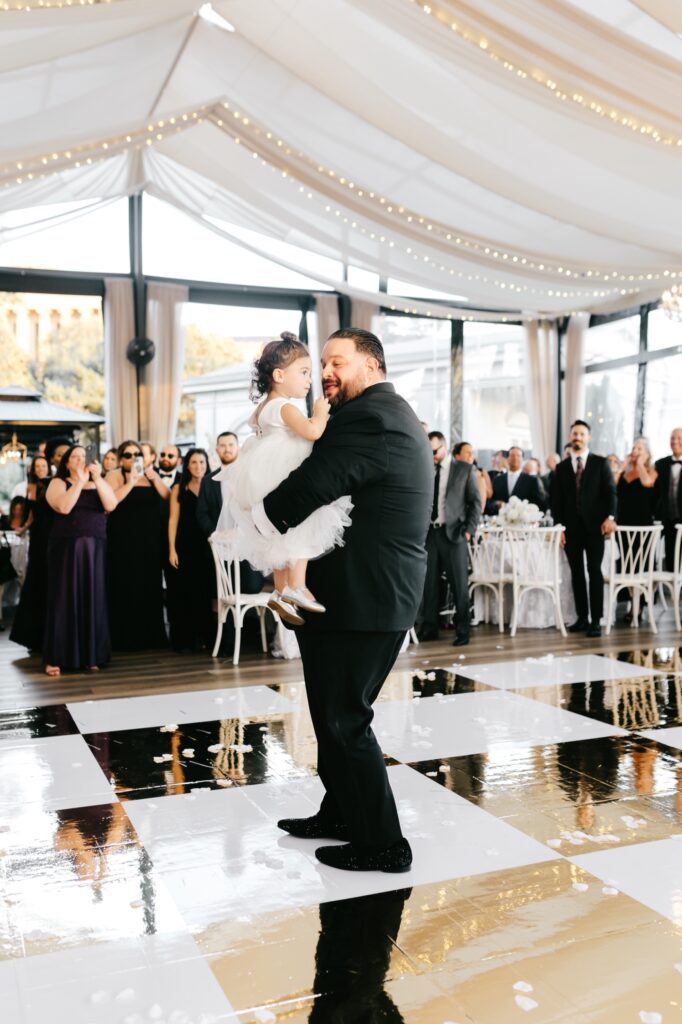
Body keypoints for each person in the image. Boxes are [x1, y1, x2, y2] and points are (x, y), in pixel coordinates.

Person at [261, 327, 432, 874]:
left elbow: (317, 480)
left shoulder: (372, 415)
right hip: (348, 595)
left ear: (372, 366)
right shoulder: (375, 412)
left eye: (338, 362)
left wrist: (258, 515)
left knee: (345, 720)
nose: (327, 372)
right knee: (327, 712)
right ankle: (341, 813)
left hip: (368, 598)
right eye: (323, 364)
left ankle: (386, 844)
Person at [214, 332, 352, 625]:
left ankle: (280, 591)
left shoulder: (263, 407)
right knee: (302, 528)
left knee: (278, 538)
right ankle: (298, 587)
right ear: (279, 375)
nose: (309, 380)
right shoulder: (285, 406)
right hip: (284, 473)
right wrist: (321, 412)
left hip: (264, 477)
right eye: (303, 373)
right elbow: (312, 431)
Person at [42, 445, 117, 676]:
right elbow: (63, 507)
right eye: (74, 457)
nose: (79, 460)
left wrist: (96, 479)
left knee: (92, 598)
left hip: (95, 547)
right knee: (65, 600)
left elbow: (111, 505)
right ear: (66, 462)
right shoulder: (59, 483)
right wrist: (79, 482)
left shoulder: (97, 482)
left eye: (83, 456)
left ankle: (91, 655)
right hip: (67, 548)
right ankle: (57, 657)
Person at [551, 419, 617, 637]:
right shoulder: (561, 468)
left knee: (594, 572)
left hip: (595, 528)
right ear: (570, 438)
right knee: (576, 573)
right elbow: (556, 501)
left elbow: (610, 493)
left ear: (588, 437)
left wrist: (610, 517)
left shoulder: (600, 463)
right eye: (574, 434)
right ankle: (582, 617)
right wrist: (559, 528)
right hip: (570, 529)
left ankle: (596, 620)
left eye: (581, 434)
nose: (577, 437)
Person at [417, 436, 481, 647]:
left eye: (434, 451)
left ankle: (463, 630)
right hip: (430, 534)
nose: (432, 455)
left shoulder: (464, 469)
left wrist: (469, 532)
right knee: (430, 584)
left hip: (455, 534)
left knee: (459, 585)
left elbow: (475, 503)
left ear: (443, 448)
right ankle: (429, 629)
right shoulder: (424, 467)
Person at [105, 440, 168, 650]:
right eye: (128, 455)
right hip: (122, 541)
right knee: (123, 584)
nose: (132, 459)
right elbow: (110, 503)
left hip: (150, 542)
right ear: (121, 457)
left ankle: (151, 637)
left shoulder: (151, 475)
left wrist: (155, 478)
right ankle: (122, 638)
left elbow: (169, 499)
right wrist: (131, 481)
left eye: (136, 455)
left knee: (149, 585)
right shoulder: (114, 476)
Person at [166, 447, 214, 652]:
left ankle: (206, 639)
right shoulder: (179, 487)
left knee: (204, 593)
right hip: (184, 546)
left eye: (202, 462)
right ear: (187, 465)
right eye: (194, 462)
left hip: (206, 545)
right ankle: (184, 641)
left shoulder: (213, 486)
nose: (198, 466)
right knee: (183, 593)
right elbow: (173, 519)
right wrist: (172, 549)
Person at [9, 452, 56, 651]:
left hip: (53, 534)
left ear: (48, 468)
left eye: (43, 466)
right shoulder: (30, 488)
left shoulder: (55, 485)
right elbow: (30, 516)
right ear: (32, 470)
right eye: (36, 467)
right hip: (38, 536)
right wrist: (23, 529)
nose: (40, 470)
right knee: (35, 578)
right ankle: (33, 634)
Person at [617, 438, 657, 622]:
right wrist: (623, 464)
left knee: (640, 565)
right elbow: (611, 484)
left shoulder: (651, 471)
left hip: (642, 526)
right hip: (623, 525)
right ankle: (625, 601)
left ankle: (637, 606)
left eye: (639, 448)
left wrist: (640, 464)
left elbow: (647, 483)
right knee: (624, 564)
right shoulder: (625, 471)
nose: (635, 451)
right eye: (633, 448)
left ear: (646, 453)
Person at [197, 432, 239, 537]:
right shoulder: (207, 480)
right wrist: (215, 534)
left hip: (247, 541)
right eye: (223, 446)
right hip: (218, 542)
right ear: (217, 450)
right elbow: (201, 513)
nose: (227, 449)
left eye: (231, 445)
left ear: (238, 448)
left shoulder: (249, 474)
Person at [654, 427, 682, 572]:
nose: (675, 441)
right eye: (672, 438)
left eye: (679, 438)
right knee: (669, 555)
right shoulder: (660, 464)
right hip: (666, 519)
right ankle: (671, 589)